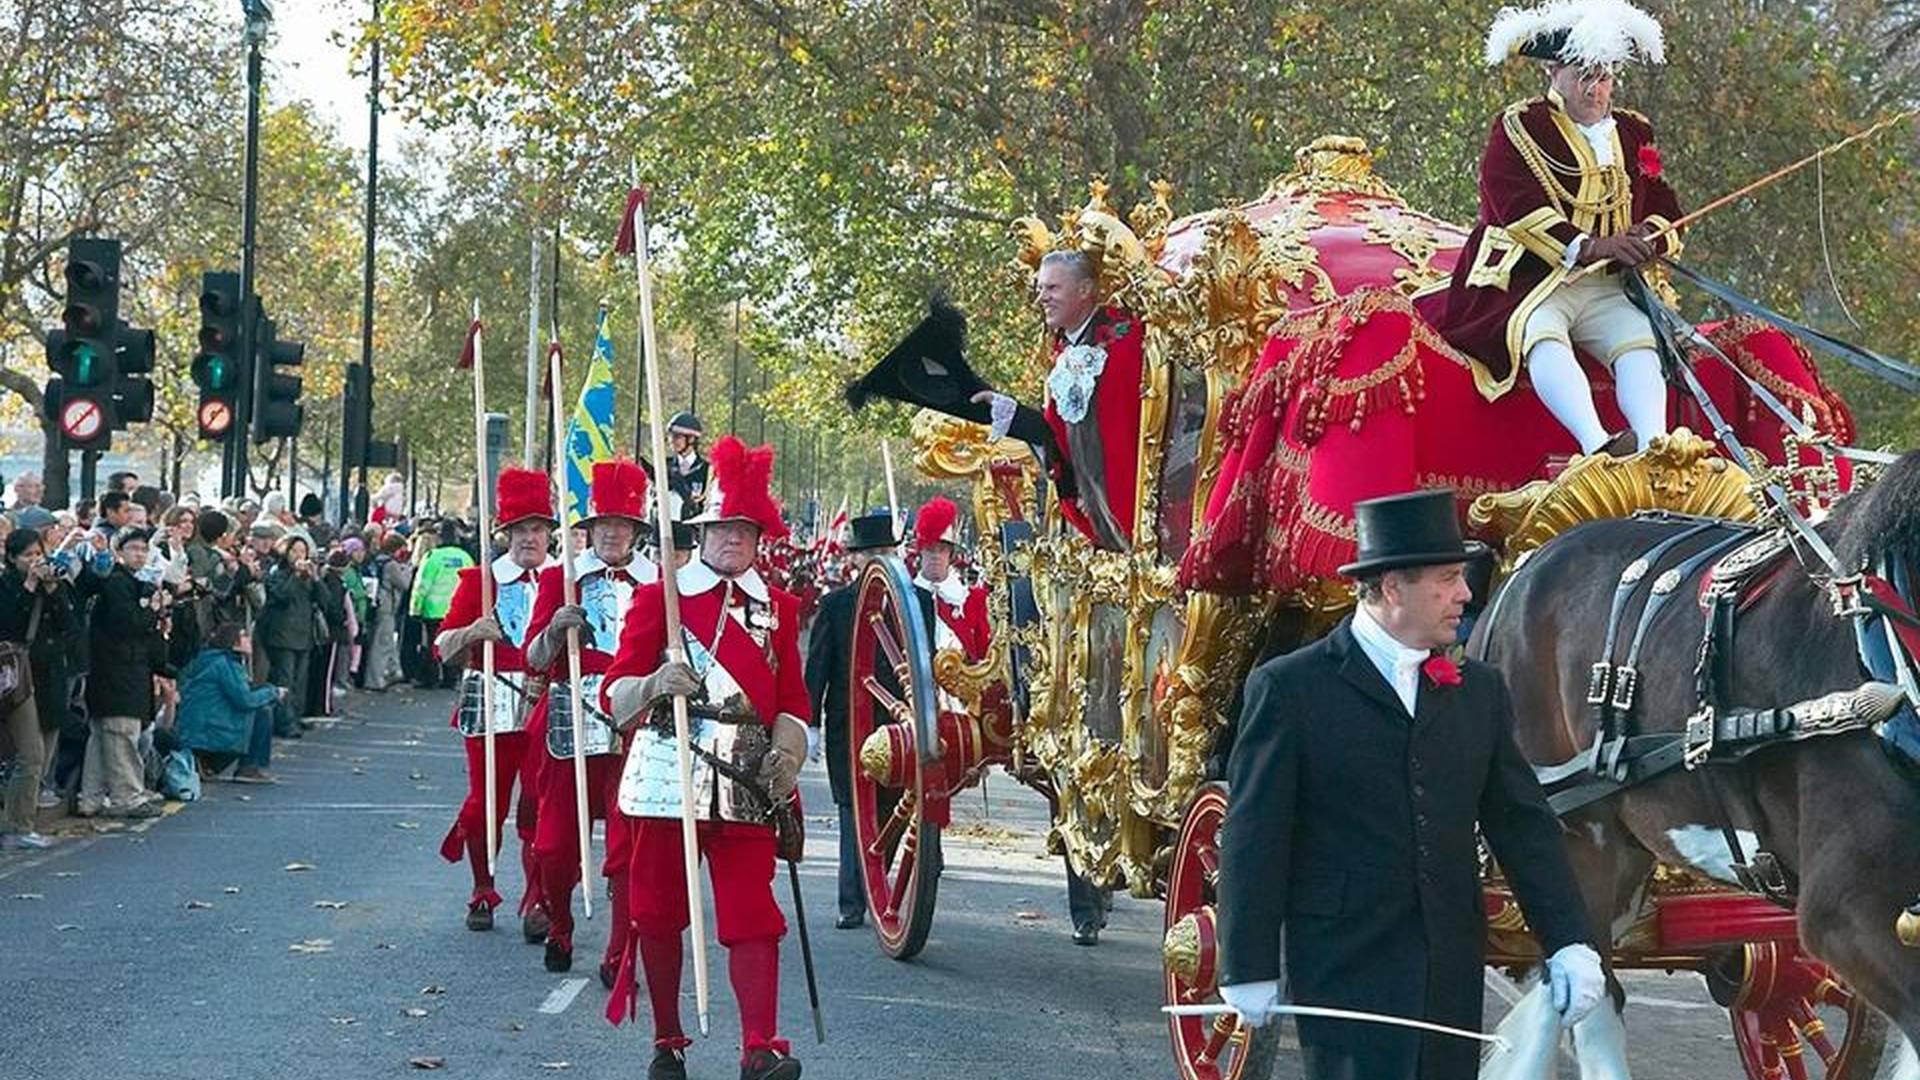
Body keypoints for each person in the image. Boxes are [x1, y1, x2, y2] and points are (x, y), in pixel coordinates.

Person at [1216, 490, 1603, 1080]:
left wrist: (1570, 940)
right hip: (1344, 966)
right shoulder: (1290, 689)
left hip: (1449, 965)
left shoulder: (1478, 691)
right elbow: (1254, 836)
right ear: (1393, 587)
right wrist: (1247, 962)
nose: (1466, 595)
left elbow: (1522, 825)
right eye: (1448, 579)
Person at [601, 435, 811, 1080]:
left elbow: (794, 701)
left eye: (743, 532)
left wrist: (789, 752)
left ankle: (760, 1046)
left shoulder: (777, 609)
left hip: (748, 771)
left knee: (754, 913)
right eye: (722, 529)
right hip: (668, 766)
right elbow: (614, 694)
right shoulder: (660, 598)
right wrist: (654, 685)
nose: (732, 541)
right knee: (657, 910)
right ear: (704, 530)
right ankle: (667, 1040)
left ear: (756, 539)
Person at [1416, 0, 1678, 456]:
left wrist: (1649, 237)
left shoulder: (1633, 131)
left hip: (1606, 285)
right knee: (1539, 331)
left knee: (1639, 340)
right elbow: (1512, 205)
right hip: (1532, 278)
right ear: (1553, 71)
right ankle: (1597, 444)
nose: (1595, 90)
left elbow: (1662, 203)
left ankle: (1654, 447)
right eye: (1583, 76)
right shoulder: (1520, 126)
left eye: (1604, 77)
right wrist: (1593, 246)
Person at [524, 458, 656, 978]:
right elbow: (534, 657)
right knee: (555, 845)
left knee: (629, 848)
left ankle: (621, 950)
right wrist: (557, 629)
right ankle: (560, 924)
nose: (612, 534)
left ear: (635, 531)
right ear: (591, 529)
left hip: (633, 719)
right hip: (570, 716)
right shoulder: (562, 578)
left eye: (622, 525)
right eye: (604, 525)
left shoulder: (658, 582)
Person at [433, 467, 558, 933]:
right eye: (521, 529)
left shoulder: (563, 583)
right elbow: (441, 646)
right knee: (487, 804)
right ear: (506, 535)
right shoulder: (480, 582)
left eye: (537, 529)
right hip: (488, 700)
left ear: (549, 534)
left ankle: (539, 899)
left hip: (544, 704)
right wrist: (471, 631)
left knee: (541, 806)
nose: (529, 538)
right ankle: (482, 889)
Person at [804, 511, 912, 930]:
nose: (878, 560)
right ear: (856, 561)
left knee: (893, 813)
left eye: (885, 553)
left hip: (902, 726)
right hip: (850, 727)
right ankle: (853, 901)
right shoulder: (837, 605)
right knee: (854, 812)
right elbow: (817, 668)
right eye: (870, 555)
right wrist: (808, 724)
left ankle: (876, 881)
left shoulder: (916, 602)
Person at [76, 527, 172, 819]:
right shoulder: (118, 583)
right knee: (121, 735)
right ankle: (127, 796)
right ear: (119, 552)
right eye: (133, 548)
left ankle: (90, 797)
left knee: (101, 739)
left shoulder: (133, 583)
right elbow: (127, 624)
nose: (140, 554)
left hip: (119, 672)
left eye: (144, 549)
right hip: (119, 672)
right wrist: (152, 609)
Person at [1, 529, 74, 848]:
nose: (34, 561)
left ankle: (20, 817)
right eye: (26, 556)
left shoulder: (52, 584)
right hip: (16, 674)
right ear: (12, 558)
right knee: (30, 753)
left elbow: (69, 625)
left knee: (45, 747)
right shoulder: (7, 585)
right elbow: (10, 624)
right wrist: (29, 587)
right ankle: (18, 827)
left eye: (37, 554)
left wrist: (53, 588)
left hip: (49, 672)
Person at [174, 622, 286, 784]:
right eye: (244, 636)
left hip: (195, 730)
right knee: (263, 711)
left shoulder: (206, 659)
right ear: (234, 642)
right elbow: (245, 700)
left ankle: (208, 763)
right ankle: (249, 766)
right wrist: (273, 692)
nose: (249, 640)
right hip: (209, 731)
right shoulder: (226, 665)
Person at [258, 534, 325, 736]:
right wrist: (296, 576)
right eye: (294, 551)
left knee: (299, 680)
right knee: (284, 680)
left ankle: (295, 716)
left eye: (302, 551)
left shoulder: (309, 578)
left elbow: (325, 601)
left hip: (304, 635)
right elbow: (281, 596)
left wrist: (315, 579)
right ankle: (284, 723)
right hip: (282, 634)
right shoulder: (277, 574)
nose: (299, 555)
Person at [411, 521, 475, 689]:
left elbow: (422, 585)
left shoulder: (432, 557)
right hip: (457, 609)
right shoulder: (465, 557)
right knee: (453, 644)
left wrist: (415, 608)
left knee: (433, 644)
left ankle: (431, 678)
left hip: (433, 610)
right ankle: (450, 678)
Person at [365, 534, 411, 690]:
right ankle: (375, 680)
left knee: (384, 641)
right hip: (387, 606)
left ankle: (392, 671)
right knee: (382, 643)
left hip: (378, 604)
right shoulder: (391, 565)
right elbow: (404, 584)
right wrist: (407, 570)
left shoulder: (378, 560)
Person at [664, 411, 709, 519]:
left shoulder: (707, 470)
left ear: (691, 439)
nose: (671, 441)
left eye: (677, 437)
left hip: (693, 531)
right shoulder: (664, 466)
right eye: (670, 436)